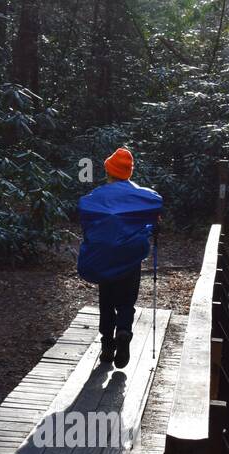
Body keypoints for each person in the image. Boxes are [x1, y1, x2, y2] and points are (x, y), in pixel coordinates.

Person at [76, 147, 163, 368]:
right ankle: (123, 332)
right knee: (126, 301)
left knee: (106, 301)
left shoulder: (96, 197)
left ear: (108, 172)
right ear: (129, 173)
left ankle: (107, 345)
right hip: (130, 257)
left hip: (104, 257)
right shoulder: (142, 197)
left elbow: (84, 210)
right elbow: (156, 205)